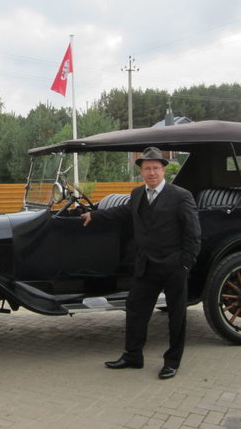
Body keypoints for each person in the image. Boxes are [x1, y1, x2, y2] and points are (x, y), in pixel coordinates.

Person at [81, 146, 201, 379]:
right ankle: (133, 356)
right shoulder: (137, 194)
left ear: (163, 170)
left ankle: (172, 362)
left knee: (176, 316)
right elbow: (122, 212)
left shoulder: (181, 196)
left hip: (173, 266)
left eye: (156, 168)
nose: (152, 173)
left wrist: (185, 264)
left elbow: (193, 234)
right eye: (147, 168)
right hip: (146, 265)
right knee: (135, 309)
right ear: (141, 172)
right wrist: (93, 215)